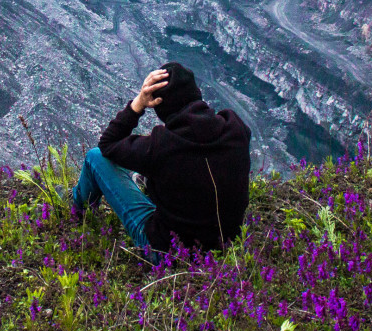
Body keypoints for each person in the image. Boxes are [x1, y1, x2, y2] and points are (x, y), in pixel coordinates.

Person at [70, 62, 251, 257]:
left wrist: (137, 105)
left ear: (159, 106)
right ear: (197, 93)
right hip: (229, 243)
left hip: (170, 251)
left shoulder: (160, 147)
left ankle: (79, 211)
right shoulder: (235, 127)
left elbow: (107, 144)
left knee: (95, 157)